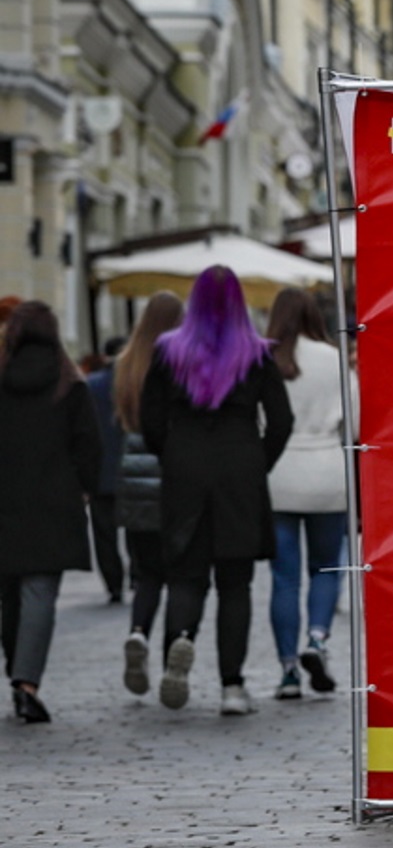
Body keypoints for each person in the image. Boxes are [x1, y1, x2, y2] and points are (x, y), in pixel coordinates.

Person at [141, 266, 293, 715]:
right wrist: (256, 461)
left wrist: (171, 455)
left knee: (186, 573)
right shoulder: (258, 354)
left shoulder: (168, 351)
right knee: (235, 582)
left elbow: (149, 420)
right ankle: (232, 685)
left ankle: (180, 641)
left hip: (185, 463)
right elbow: (281, 421)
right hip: (239, 464)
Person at [0, 302, 103, 723]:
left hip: (4, 500)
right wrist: (85, 489)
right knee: (39, 593)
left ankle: (14, 667)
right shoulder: (69, 385)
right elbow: (89, 448)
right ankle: (27, 683)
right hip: (54, 502)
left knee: (9, 591)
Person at [266, 288, 357, 699]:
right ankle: (317, 639)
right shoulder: (334, 360)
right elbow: (354, 426)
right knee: (325, 567)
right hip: (326, 475)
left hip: (277, 475)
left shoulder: (262, 359)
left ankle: (288, 671)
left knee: (283, 578)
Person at [113, 292, 185, 696]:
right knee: (180, 575)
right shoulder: (179, 361)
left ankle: (138, 631)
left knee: (146, 573)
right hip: (173, 470)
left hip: (133, 473)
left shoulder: (126, 362)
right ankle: (172, 655)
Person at [83, 337, 130, 603]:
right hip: (132, 468)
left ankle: (113, 583)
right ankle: (137, 573)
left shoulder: (92, 385)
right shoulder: (135, 382)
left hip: (100, 469)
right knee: (137, 526)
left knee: (104, 534)